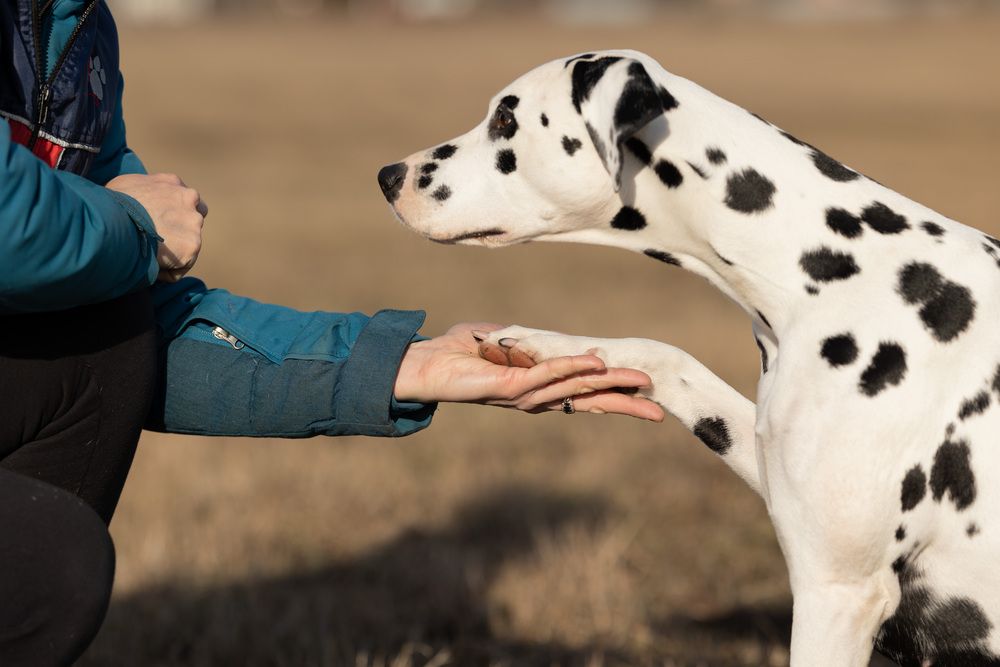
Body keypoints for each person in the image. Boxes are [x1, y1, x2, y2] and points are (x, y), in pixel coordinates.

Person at [0, 2, 664, 665]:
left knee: (106, 344)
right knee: (56, 560)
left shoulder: (78, 27)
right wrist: (133, 226)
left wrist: (403, 365)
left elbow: (135, 310)